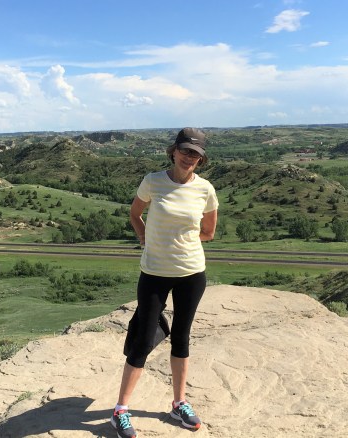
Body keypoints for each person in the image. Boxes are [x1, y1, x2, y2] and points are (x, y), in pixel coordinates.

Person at [110, 127, 218, 438]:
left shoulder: (205, 189)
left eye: (195, 154)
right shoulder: (153, 181)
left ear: (201, 159)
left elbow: (208, 232)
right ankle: (120, 411)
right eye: (185, 151)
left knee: (181, 338)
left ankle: (179, 403)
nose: (189, 157)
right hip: (154, 273)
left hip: (191, 273)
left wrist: (177, 240)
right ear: (173, 151)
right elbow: (135, 214)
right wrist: (145, 237)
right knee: (144, 339)